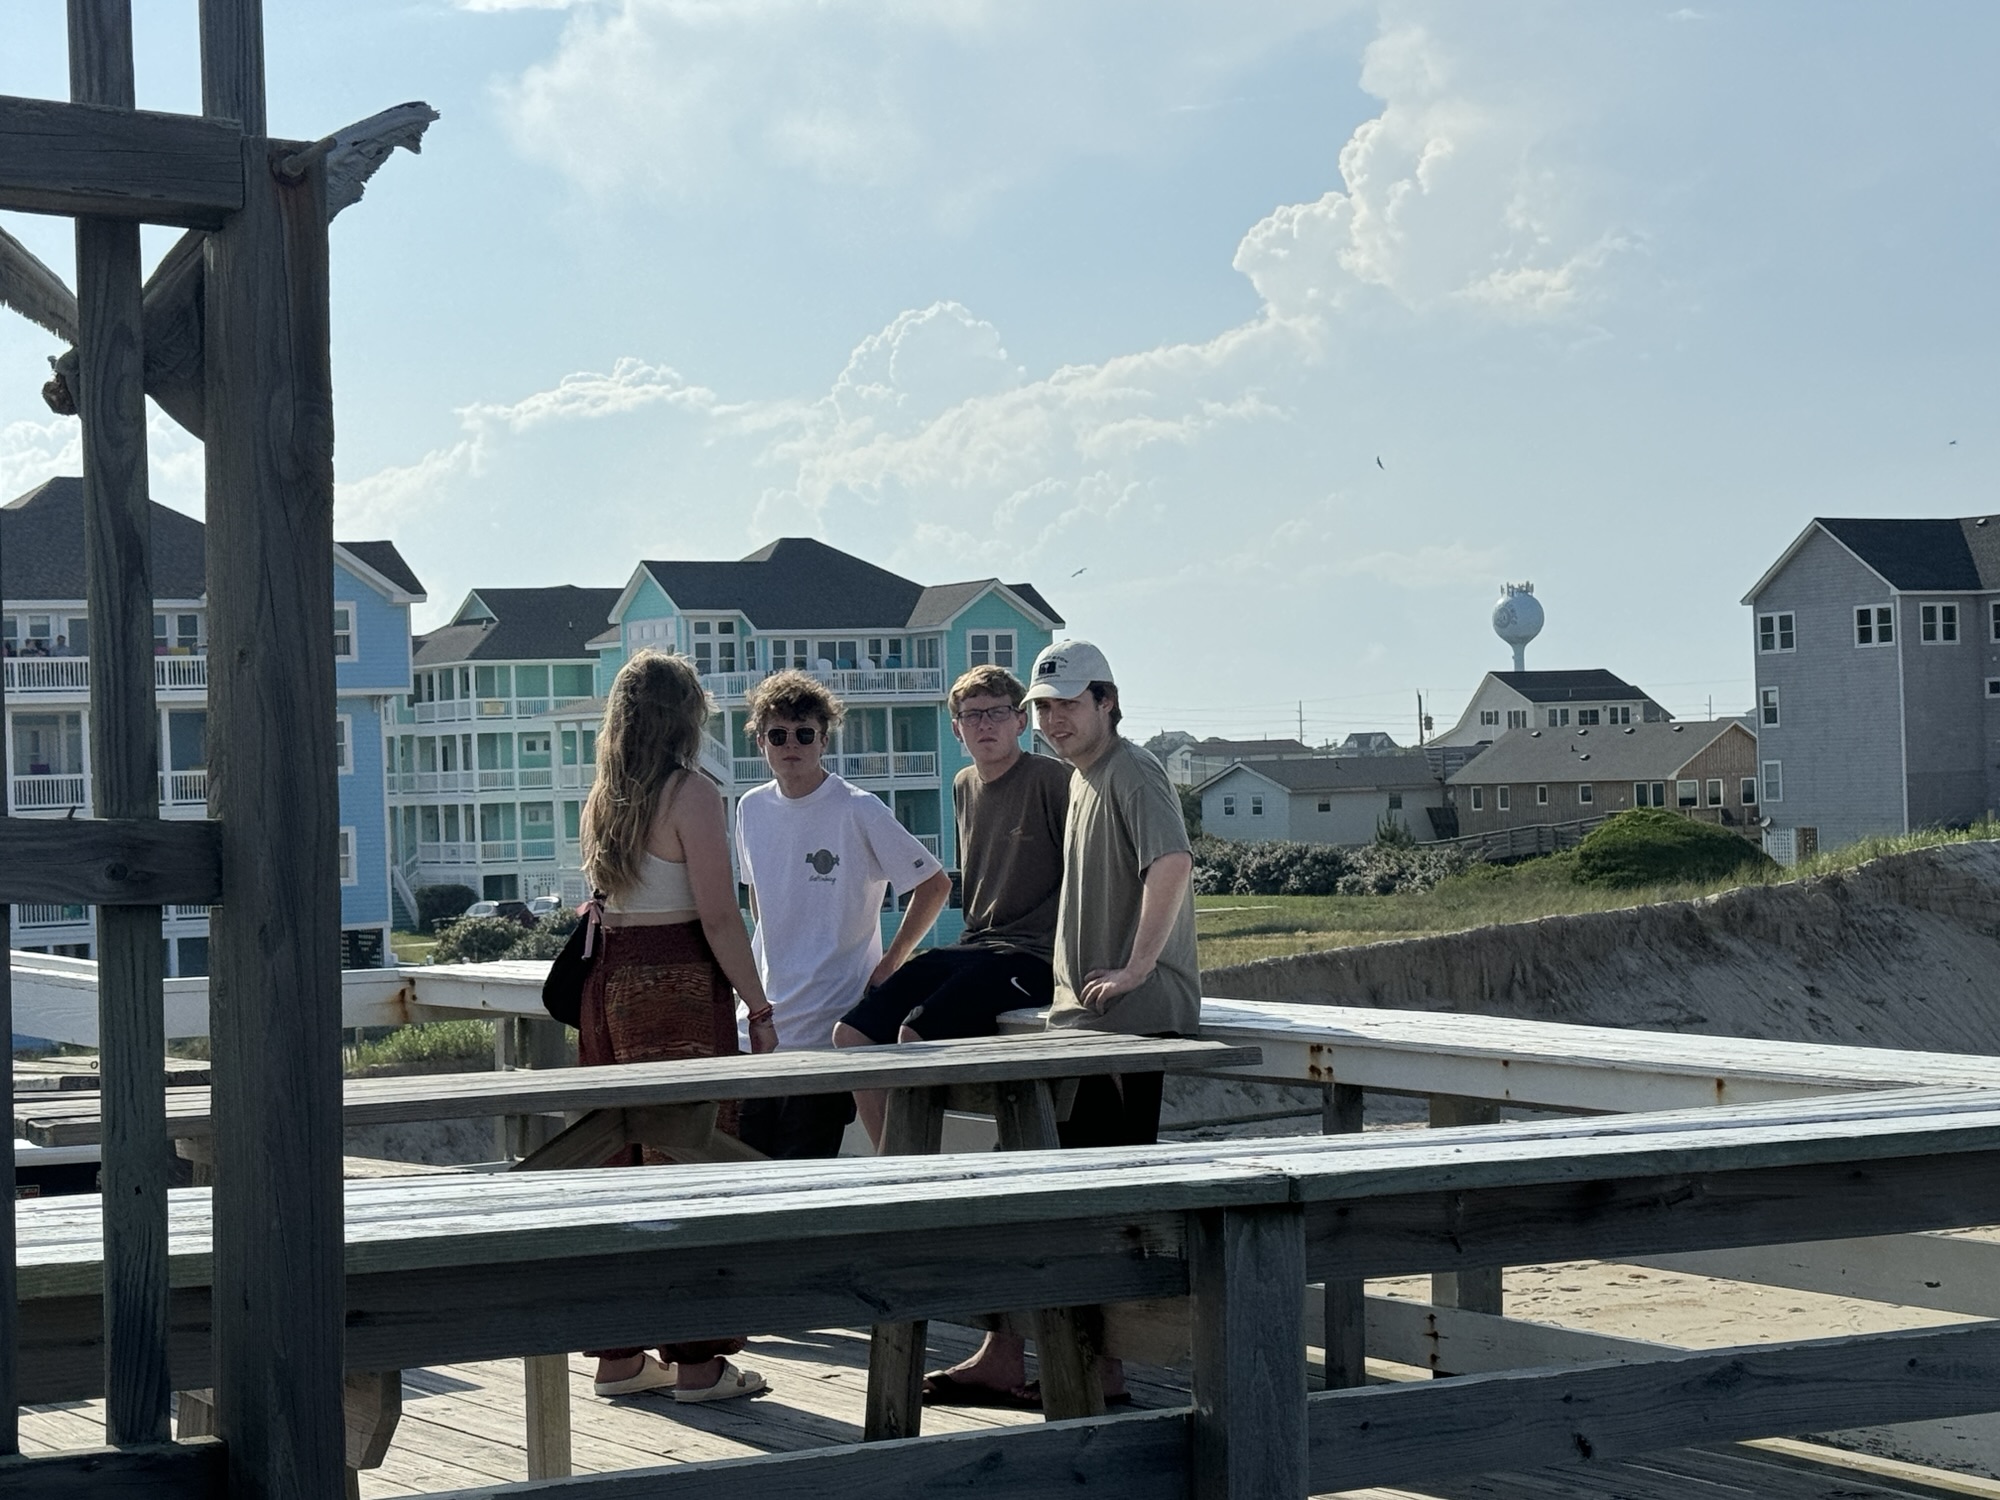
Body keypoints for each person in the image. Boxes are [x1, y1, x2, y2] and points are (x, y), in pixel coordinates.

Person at [923, 638, 1199, 1411]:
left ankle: (1100, 1373)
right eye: (1044, 707)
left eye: (1069, 704)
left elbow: (1170, 864)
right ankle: (1015, 1357)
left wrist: (1141, 968)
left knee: (1099, 1204)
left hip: (1130, 1023)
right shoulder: (1082, 779)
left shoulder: (1133, 769)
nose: (1054, 719)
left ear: (1107, 701)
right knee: (1050, 1190)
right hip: (1081, 1019)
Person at [576, 648, 772, 1404]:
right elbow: (720, 917)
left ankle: (620, 1356)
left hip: (611, 984)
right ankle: (698, 1361)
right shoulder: (691, 794)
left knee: (620, 1162)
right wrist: (758, 1004)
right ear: (685, 718)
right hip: (679, 984)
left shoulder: (604, 798)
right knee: (691, 1165)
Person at [834, 663, 1068, 1146]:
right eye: (972, 715)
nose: (986, 724)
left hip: (1033, 955)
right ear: (956, 727)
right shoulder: (964, 784)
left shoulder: (1053, 780)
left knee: (915, 1035)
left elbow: (1087, 873)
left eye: (998, 713)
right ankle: (893, 1168)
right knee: (850, 1036)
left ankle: (922, 1175)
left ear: (1020, 721)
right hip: (976, 947)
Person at [734, 669, 954, 1158]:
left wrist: (890, 964)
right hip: (760, 1031)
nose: (791, 744)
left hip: (828, 1032)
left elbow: (934, 884)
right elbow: (757, 895)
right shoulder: (749, 808)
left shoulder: (859, 808)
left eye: (804, 733)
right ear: (760, 742)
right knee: (744, 1176)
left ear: (824, 739)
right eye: (778, 734)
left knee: (805, 1181)